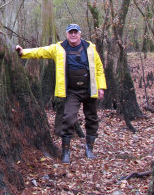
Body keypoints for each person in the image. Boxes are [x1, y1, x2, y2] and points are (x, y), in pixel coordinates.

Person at [15, 23, 106, 163]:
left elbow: (99, 69)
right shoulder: (59, 48)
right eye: (71, 33)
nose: (73, 35)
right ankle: (66, 153)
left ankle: (89, 149)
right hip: (72, 91)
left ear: (80, 34)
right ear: (67, 34)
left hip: (90, 89)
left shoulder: (90, 48)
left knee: (92, 119)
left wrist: (101, 87)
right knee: (69, 118)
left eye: (76, 32)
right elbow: (41, 52)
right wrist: (23, 53)